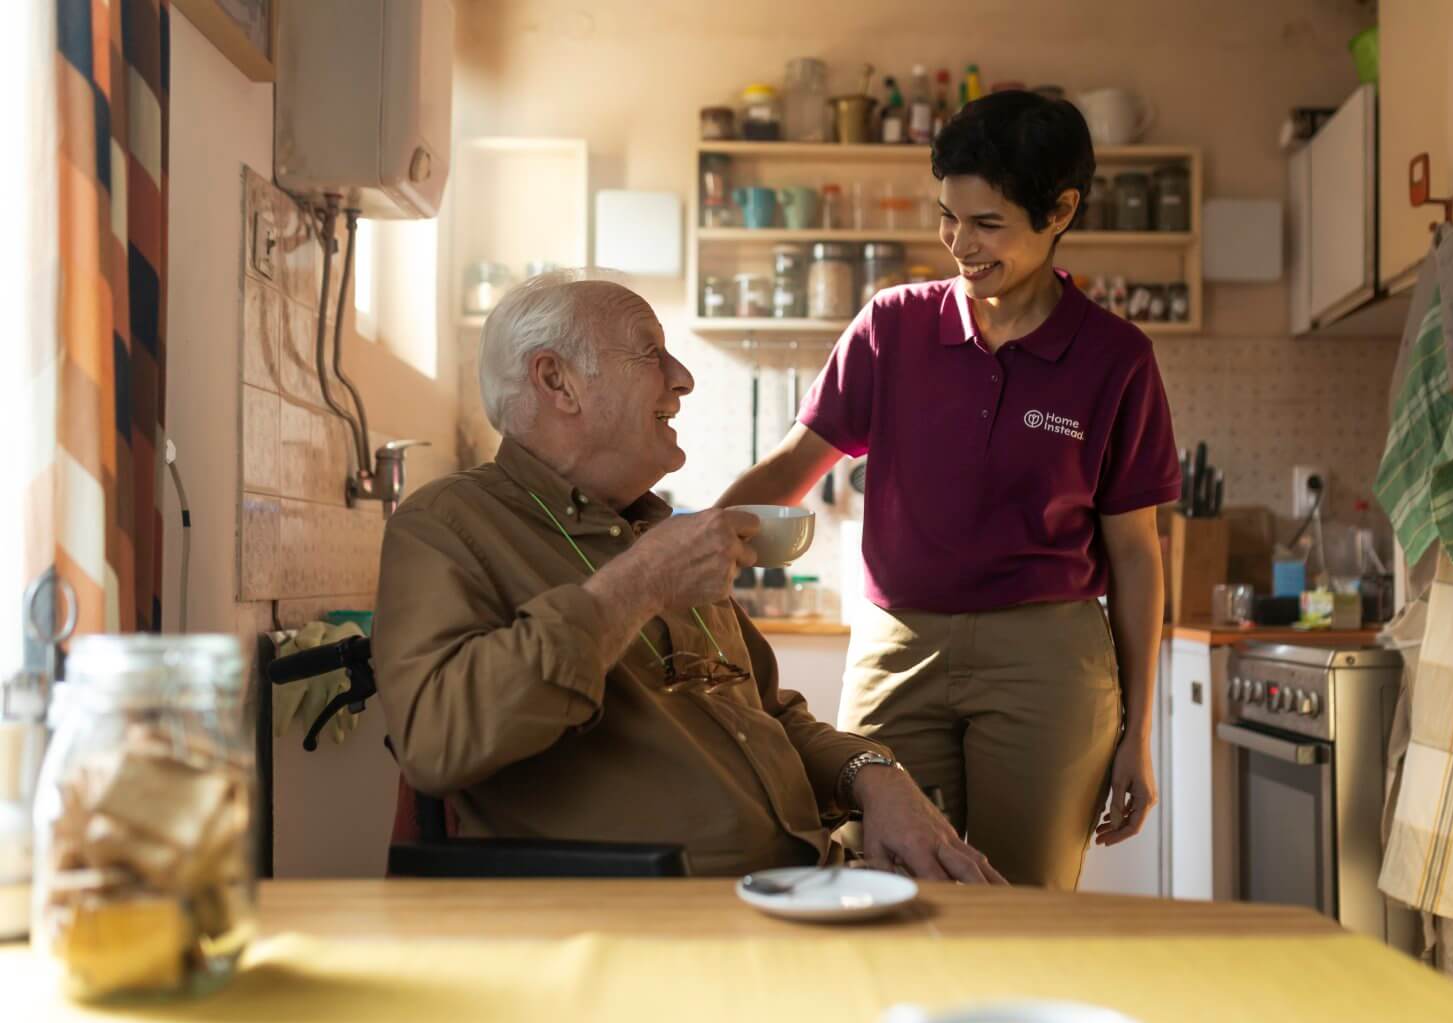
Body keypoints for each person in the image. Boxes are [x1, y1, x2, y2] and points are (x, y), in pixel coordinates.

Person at [371, 274, 1004, 884]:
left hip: (804, 886)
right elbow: (436, 739)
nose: (684, 378)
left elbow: (771, 714)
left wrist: (876, 777)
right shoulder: (448, 524)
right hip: (664, 922)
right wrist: (639, 584)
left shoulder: (656, 530)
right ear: (556, 381)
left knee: (1005, 936)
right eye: (652, 353)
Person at [717, 91, 1181, 888]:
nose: (959, 244)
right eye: (947, 217)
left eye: (988, 224)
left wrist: (1137, 735)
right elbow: (794, 467)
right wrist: (681, 541)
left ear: (1061, 209)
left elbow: (1135, 556)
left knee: (1023, 898)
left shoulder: (1117, 358)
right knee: (876, 882)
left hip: (1046, 658)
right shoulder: (890, 327)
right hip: (898, 648)